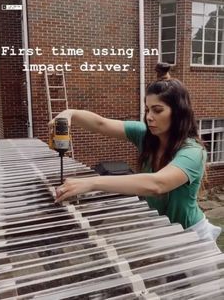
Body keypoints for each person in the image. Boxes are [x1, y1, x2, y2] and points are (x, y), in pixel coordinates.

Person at [50, 79, 221, 242]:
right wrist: (70, 113)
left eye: (157, 110)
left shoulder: (192, 152)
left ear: (178, 113)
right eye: (147, 110)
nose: (149, 117)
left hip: (193, 235)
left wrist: (91, 183)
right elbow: (100, 124)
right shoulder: (145, 135)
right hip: (164, 231)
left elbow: (158, 184)